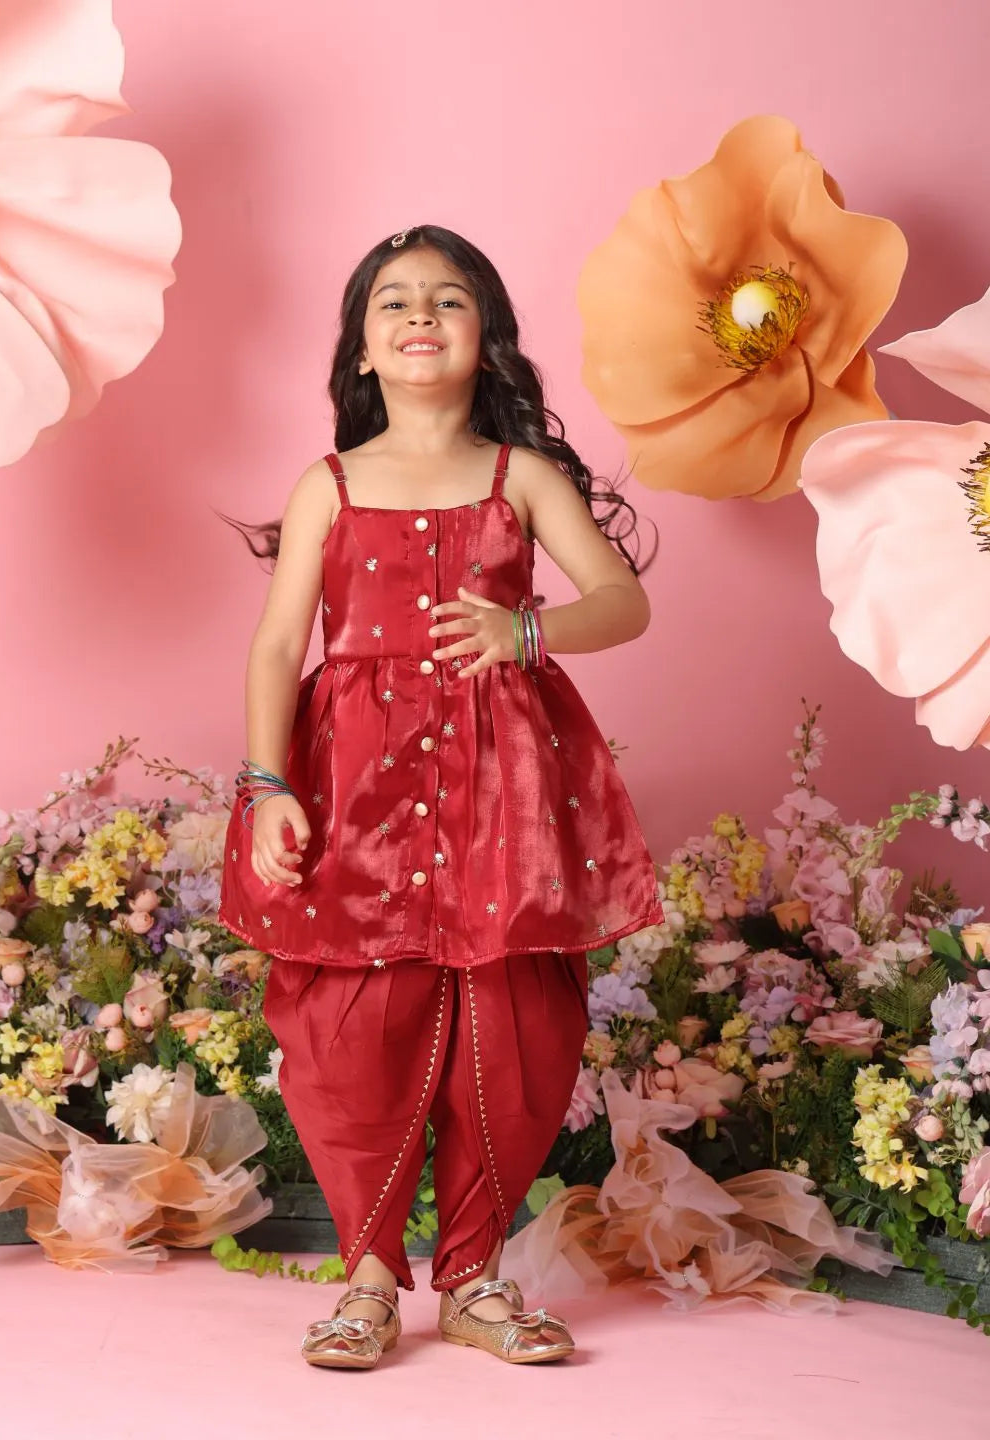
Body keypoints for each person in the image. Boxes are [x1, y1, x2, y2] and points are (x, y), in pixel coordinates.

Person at [217, 224, 663, 1369]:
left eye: (449, 299)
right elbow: (276, 649)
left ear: (487, 339)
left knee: (519, 1022)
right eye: (394, 302)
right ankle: (368, 1280)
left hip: (505, 791)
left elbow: (623, 605)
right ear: (361, 349)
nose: (421, 314)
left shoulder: (525, 480)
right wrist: (269, 785)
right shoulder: (328, 486)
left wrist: (528, 630)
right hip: (352, 784)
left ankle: (473, 1278)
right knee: (342, 1026)